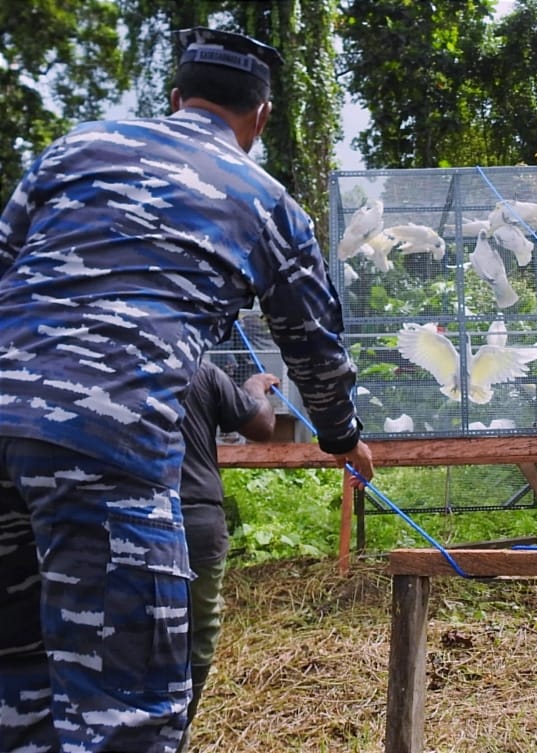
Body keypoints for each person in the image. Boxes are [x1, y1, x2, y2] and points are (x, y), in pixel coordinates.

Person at [0, 26, 373, 753]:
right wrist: (342, 435)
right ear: (260, 119)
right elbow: (315, 347)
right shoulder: (267, 202)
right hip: (104, 442)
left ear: (175, 99)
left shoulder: (74, 151)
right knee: (126, 709)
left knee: (17, 681)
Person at [179, 360, 280, 751]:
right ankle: (178, 727)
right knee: (198, 633)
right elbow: (261, 426)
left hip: (123, 518)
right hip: (194, 521)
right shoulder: (200, 370)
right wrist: (255, 387)